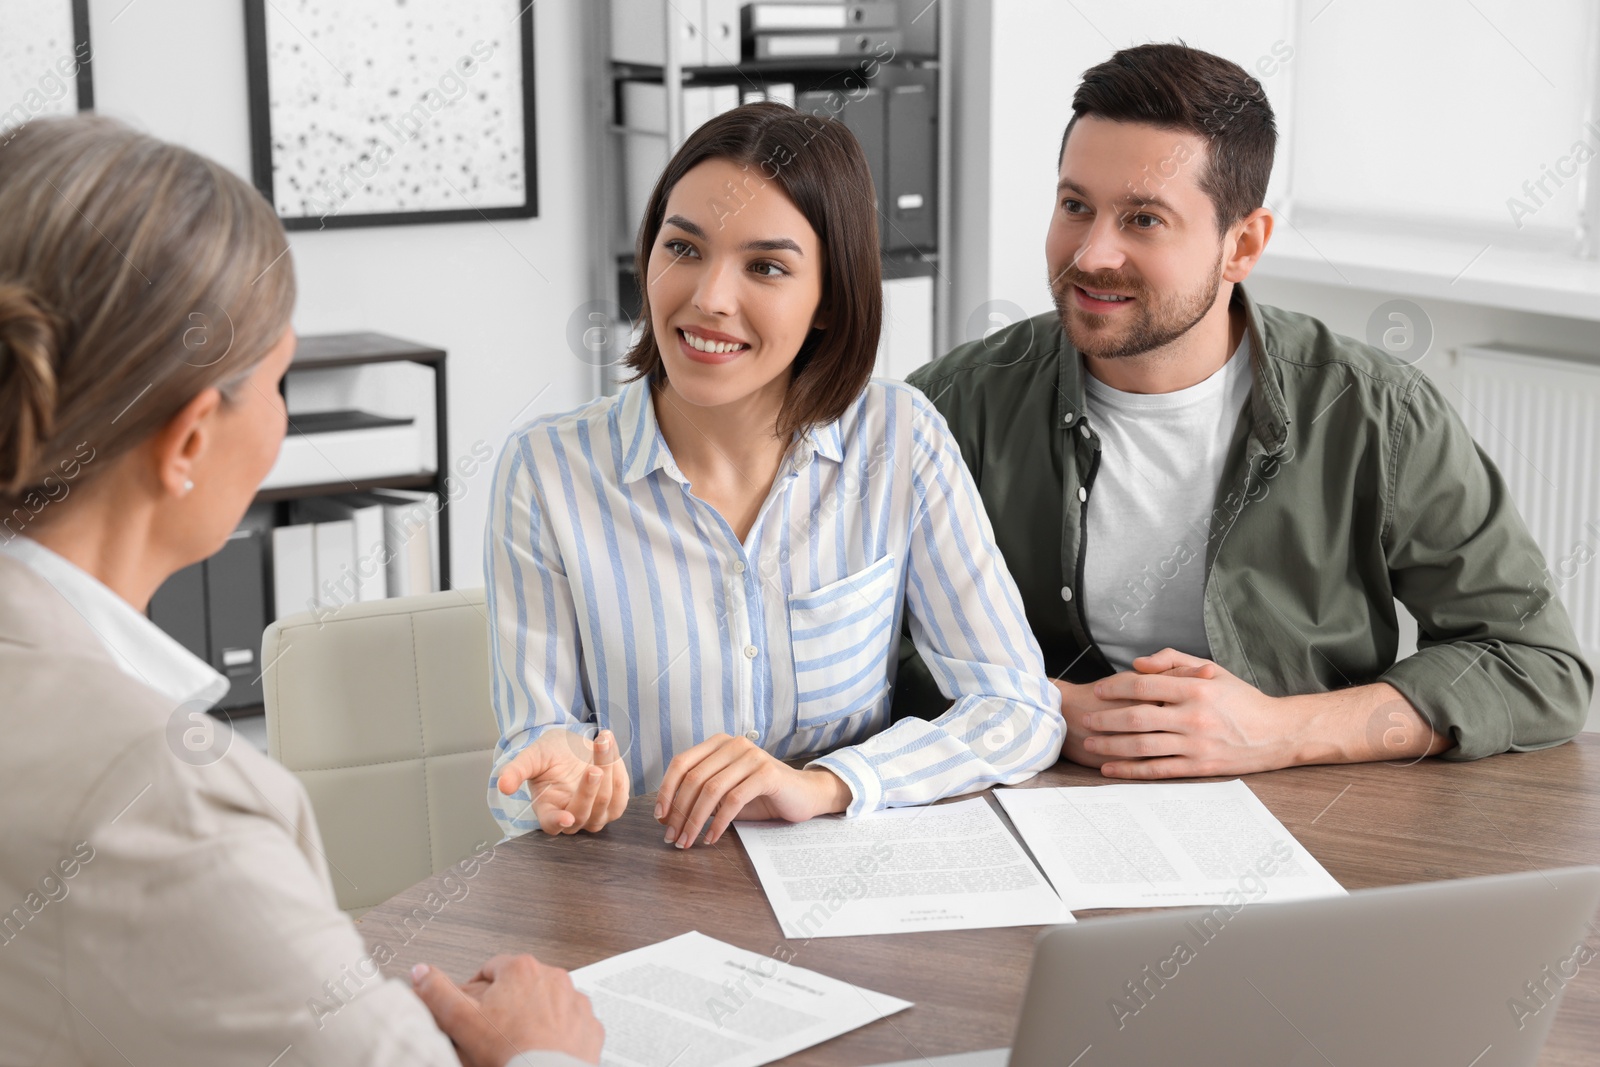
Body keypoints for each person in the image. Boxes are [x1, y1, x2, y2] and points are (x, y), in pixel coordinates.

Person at [0, 115, 600, 1067]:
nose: (281, 418)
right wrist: (543, 1048)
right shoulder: (165, 804)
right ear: (192, 439)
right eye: (279, 379)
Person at [897, 43, 1593, 777]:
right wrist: (1035, 705)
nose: (1093, 253)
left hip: (1305, 814)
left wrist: (1281, 730)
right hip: (1035, 804)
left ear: (1243, 244)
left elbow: (1535, 663)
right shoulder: (950, 404)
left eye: (1142, 219)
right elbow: (860, 648)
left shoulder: (1377, 413)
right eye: (1076, 206)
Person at [488, 103, 1062, 848]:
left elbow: (1018, 708)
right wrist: (555, 785)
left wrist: (826, 784)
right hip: (642, 896)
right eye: (684, 248)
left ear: (829, 299)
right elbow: (533, 743)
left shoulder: (899, 438)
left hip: (841, 889)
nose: (709, 298)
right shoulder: (547, 471)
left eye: (765, 267)